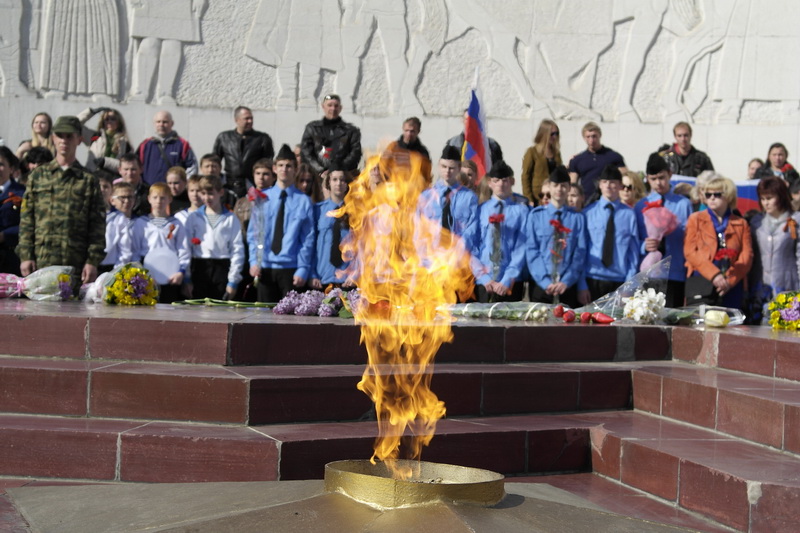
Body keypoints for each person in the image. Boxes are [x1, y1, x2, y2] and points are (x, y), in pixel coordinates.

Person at [16, 116, 106, 286]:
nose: (64, 141)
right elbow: (27, 219)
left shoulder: (88, 179)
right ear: (53, 138)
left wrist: (92, 260)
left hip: (75, 262)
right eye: (60, 135)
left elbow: (97, 225)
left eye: (69, 136)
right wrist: (26, 255)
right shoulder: (38, 176)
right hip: (41, 258)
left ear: (79, 140)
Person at [248, 144, 315, 302]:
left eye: (289, 165)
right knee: (263, 320)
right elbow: (254, 234)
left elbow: (308, 239)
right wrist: (253, 261)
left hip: (290, 269)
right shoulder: (262, 198)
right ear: (274, 168)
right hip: (265, 267)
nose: (285, 169)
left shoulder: (303, 201)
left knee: (290, 322)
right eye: (281, 165)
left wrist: (303, 268)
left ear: (295, 169)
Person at [684, 175, 753, 309]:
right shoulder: (695, 219)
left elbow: (746, 256)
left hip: (731, 283)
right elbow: (690, 252)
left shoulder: (741, 223)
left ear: (728, 196)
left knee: (732, 325)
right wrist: (714, 275)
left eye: (717, 194)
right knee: (702, 326)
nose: (712, 198)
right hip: (702, 281)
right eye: (708, 194)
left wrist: (729, 280)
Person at [635, 154, 693, 308]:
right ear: (647, 178)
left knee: (672, 319)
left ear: (670, 174)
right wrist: (644, 246)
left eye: (662, 177)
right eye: (653, 179)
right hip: (649, 271)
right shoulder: (641, 205)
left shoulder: (683, 204)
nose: (658, 183)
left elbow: (689, 237)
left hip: (675, 271)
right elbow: (634, 239)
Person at [526, 165, 587, 308]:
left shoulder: (577, 218)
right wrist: (545, 281)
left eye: (563, 186)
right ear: (550, 187)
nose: (559, 189)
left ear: (569, 188)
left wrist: (566, 281)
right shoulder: (536, 216)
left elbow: (579, 252)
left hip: (567, 286)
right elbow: (531, 251)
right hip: (541, 286)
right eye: (555, 185)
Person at [580, 165, 640, 302]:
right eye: (604, 182)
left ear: (620, 185)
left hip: (619, 280)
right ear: (600, 185)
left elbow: (633, 252)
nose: (608, 186)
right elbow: (581, 250)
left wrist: (628, 285)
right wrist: (581, 285)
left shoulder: (629, 214)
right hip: (593, 278)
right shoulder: (588, 213)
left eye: (613, 182)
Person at [747, 177, 800, 322]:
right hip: (759, 287)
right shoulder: (756, 222)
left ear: (781, 197)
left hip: (788, 285)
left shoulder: (795, 220)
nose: (766, 203)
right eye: (762, 198)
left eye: (770, 198)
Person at [185, 175, 245, 300]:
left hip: (222, 268)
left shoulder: (230, 218)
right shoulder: (194, 217)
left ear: (221, 192)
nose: (207, 198)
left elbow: (237, 249)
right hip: (200, 266)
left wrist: (233, 281)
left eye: (211, 193)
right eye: (203, 193)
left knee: (219, 310)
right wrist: (187, 278)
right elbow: (186, 248)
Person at [131, 182, 191, 303]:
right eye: (155, 197)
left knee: (168, 308)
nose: (159, 201)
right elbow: (135, 251)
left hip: (170, 273)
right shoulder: (141, 223)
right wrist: (142, 274)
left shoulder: (176, 223)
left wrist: (181, 272)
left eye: (163, 198)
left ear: (170, 199)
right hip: (147, 273)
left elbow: (183, 250)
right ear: (149, 199)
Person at [418, 145, 478, 249]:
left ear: (459, 168)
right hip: (432, 254)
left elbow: (472, 228)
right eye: (444, 167)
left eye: (451, 168)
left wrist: (458, 248)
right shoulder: (427, 196)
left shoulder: (469, 198)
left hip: (458, 255)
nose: (447, 171)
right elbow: (419, 226)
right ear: (438, 166)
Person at [212, 106, 274, 199]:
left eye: (251, 118)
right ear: (237, 120)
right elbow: (215, 161)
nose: (250, 121)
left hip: (252, 186)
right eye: (246, 118)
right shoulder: (224, 137)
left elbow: (267, 163)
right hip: (229, 184)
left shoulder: (262, 139)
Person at [309, 164, 353, 289]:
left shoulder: (356, 211)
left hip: (347, 279)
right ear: (328, 183)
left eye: (342, 179)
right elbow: (310, 245)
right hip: (322, 278)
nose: (338, 183)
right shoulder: (317, 210)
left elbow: (361, 247)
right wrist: (312, 274)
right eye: (334, 179)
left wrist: (355, 275)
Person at [300, 94, 362, 176]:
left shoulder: (351, 131)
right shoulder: (312, 128)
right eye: (329, 105)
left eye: (336, 106)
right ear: (323, 106)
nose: (333, 108)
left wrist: (337, 170)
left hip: (343, 177)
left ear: (340, 108)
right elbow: (306, 153)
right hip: (317, 177)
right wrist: (320, 170)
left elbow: (355, 153)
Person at [568, 121, 627, 201]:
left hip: (609, 200)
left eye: (594, 136)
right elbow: (572, 185)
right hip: (586, 202)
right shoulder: (577, 160)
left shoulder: (613, 157)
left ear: (600, 135)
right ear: (584, 138)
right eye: (588, 137)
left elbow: (625, 178)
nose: (591, 140)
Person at [137, 110, 198, 185]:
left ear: (172, 123)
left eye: (165, 122)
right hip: (150, 191)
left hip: (173, 192)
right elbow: (136, 166)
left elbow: (192, 167)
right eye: (158, 122)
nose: (161, 125)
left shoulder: (182, 145)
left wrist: (183, 185)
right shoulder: (145, 145)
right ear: (154, 124)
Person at [446, 109, 503, 174]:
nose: (471, 123)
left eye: (474, 120)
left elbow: (498, 171)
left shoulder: (492, 145)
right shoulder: (452, 144)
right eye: (468, 119)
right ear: (462, 120)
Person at [77, 107, 132, 173]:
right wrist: (90, 112)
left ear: (119, 122)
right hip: (93, 176)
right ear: (103, 122)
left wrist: (105, 162)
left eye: (113, 119)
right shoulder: (95, 137)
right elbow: (74, 124)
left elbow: (127, 165)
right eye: (106, 119)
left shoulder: (124, 143)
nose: (109, 121)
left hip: (112, 179)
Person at [521, 119, 562, 206]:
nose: (555, 137)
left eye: (556, 133)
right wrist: (528, 197)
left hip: (553, 195)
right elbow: (525, 176)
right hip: (538, 196)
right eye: (552, 134)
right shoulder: (532, 152)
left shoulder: (556, 153)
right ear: (544, 134)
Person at [99, 182, 135, 273]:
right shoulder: (104, 217)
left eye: (130, 197)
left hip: (113, 267)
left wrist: (118, 270)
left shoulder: (121, 219)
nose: (126, 201)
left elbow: (125, 249)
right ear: (112, 200)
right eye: (122, 198)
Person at [0, 146, 25, 275]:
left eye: (1, 164)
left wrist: (5, 235)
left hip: (11, 257)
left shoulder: (22, 192)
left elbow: (30, 224)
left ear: (11, 168)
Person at [118, 153, 150, 218]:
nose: (129, 173)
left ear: (141, 169)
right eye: (126, 169)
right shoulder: (112, 191)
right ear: (120, 170)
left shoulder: (149, 191)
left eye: (133, 169)